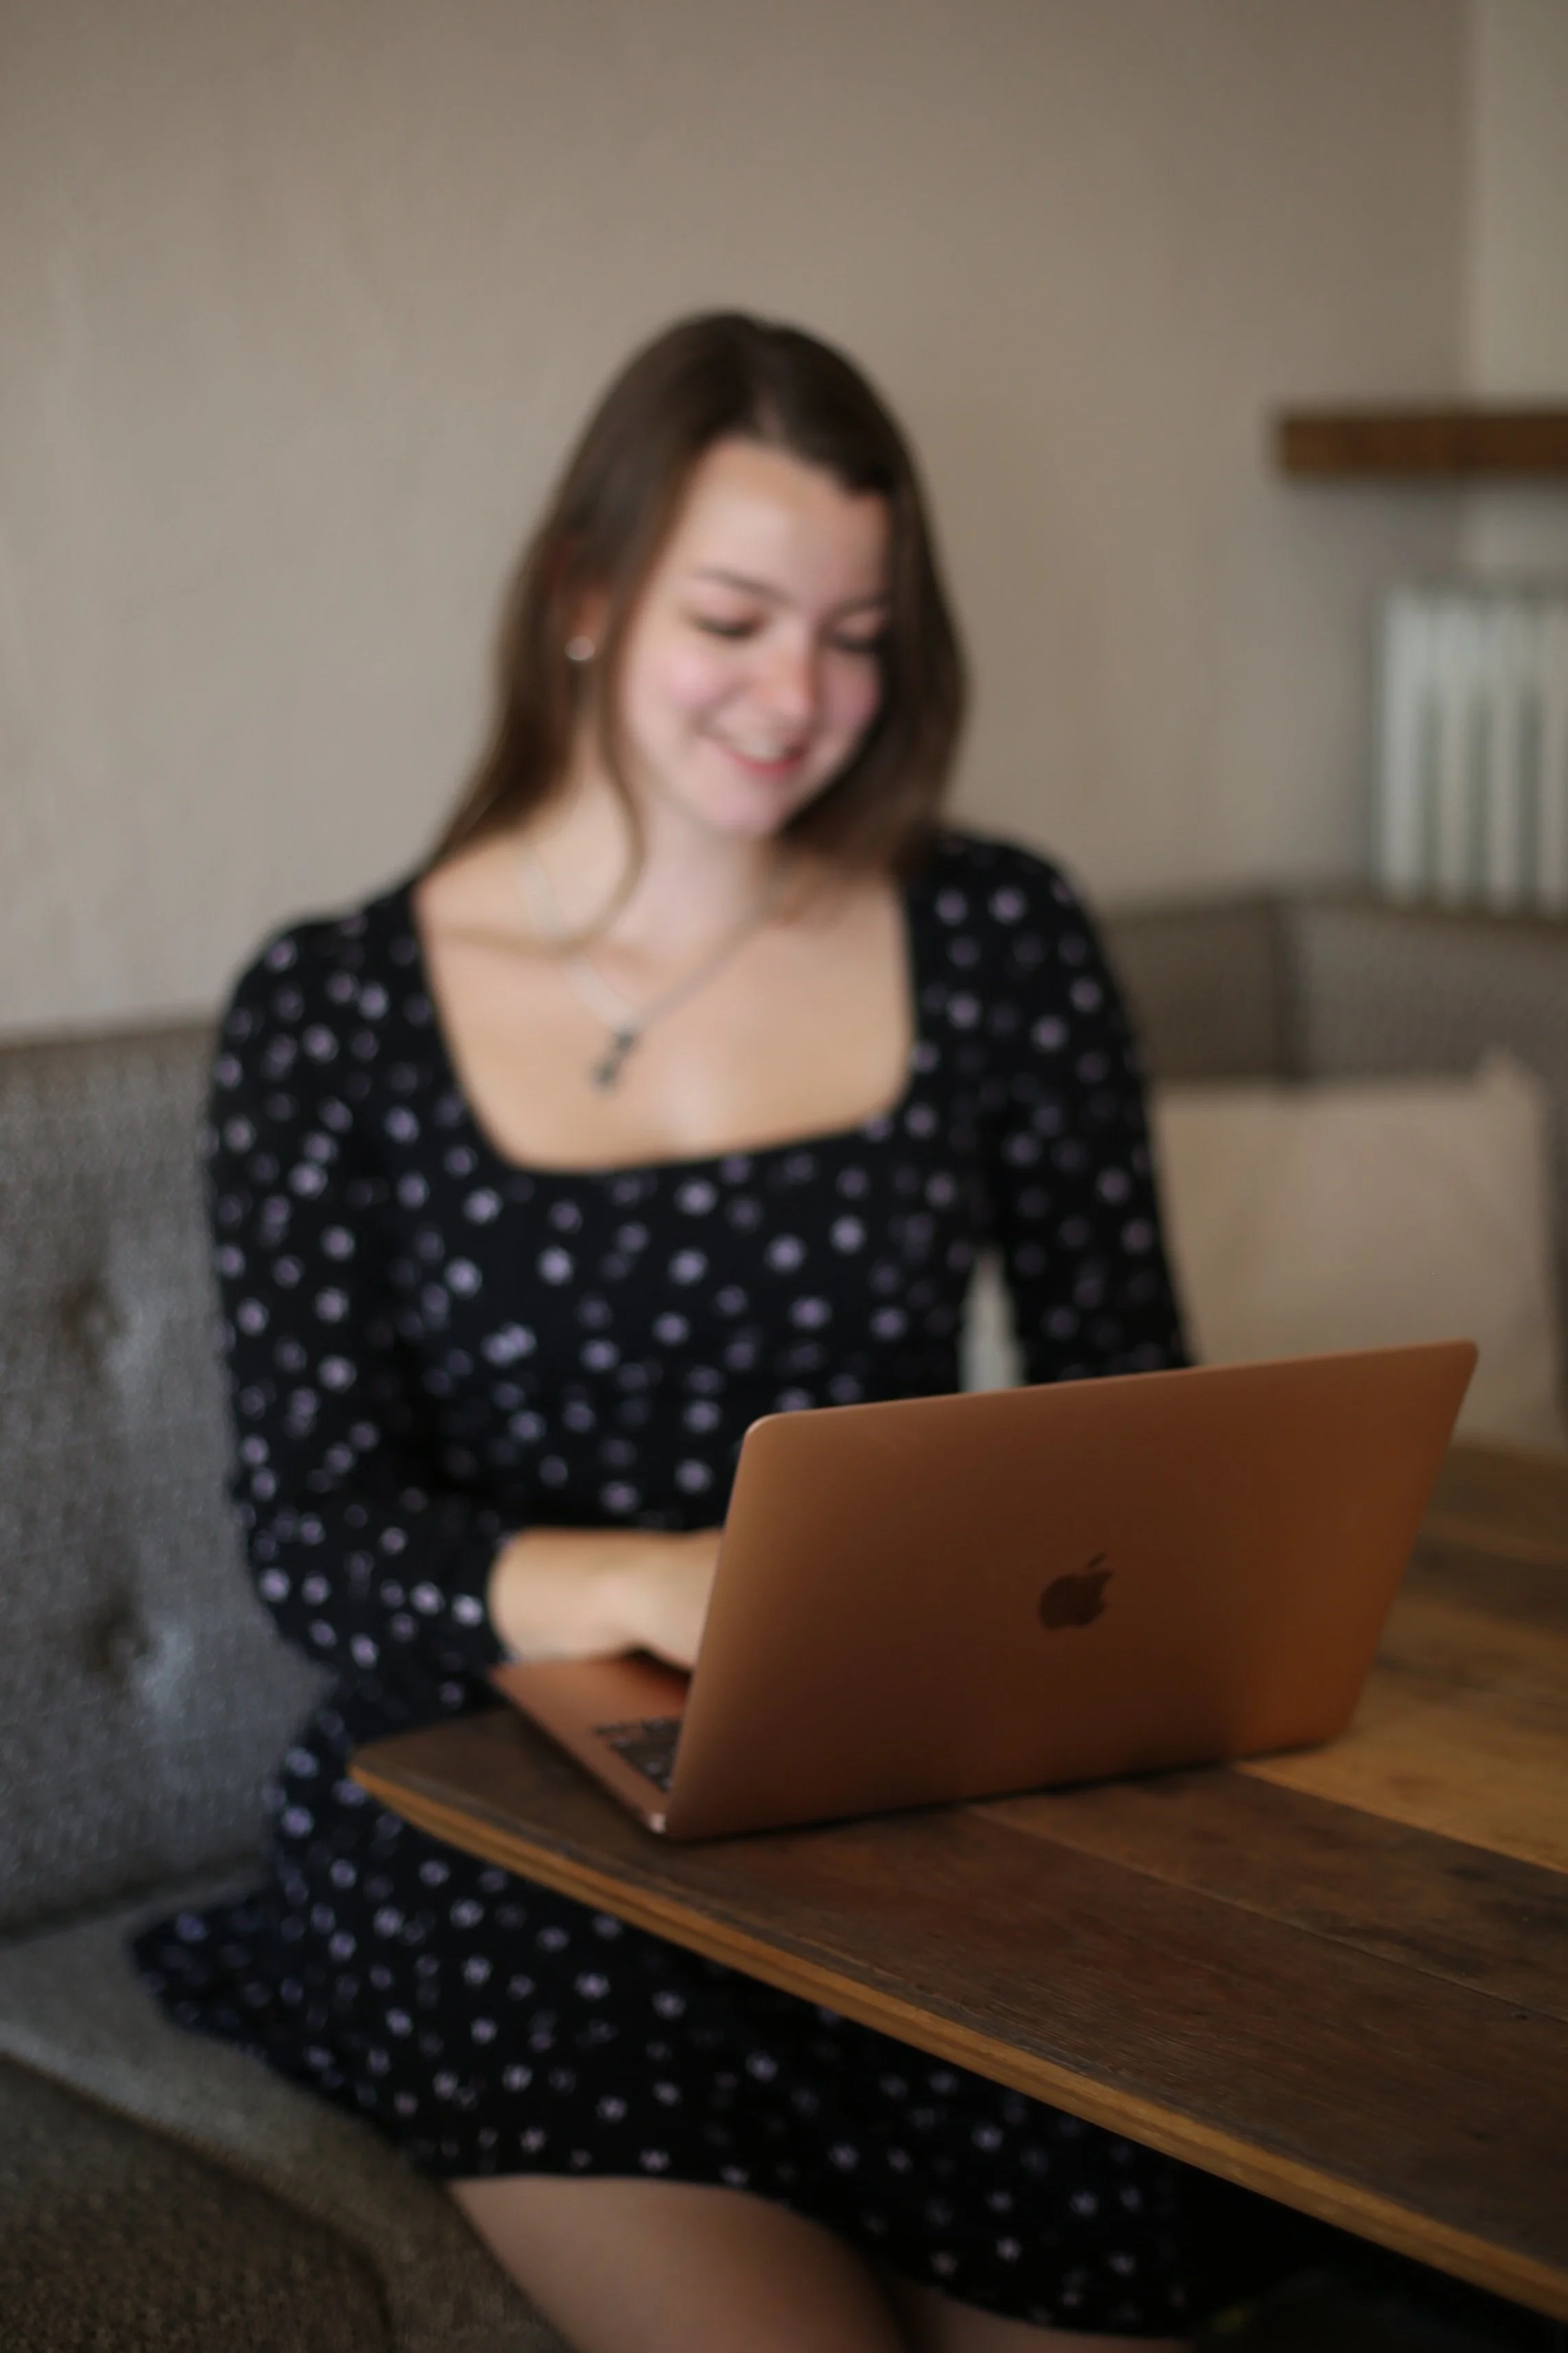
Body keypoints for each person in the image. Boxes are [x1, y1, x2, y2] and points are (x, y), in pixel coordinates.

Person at [136, 313, 1196, 2351]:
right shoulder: (336, 1010)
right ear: (588, 596)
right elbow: (319, 1537)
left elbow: (1127, 1415)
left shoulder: (1000, 941)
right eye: (735, 616)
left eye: (857, 633)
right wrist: (689, 1586)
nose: (801, 695)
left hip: (885, 1785)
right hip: (485, 1806)